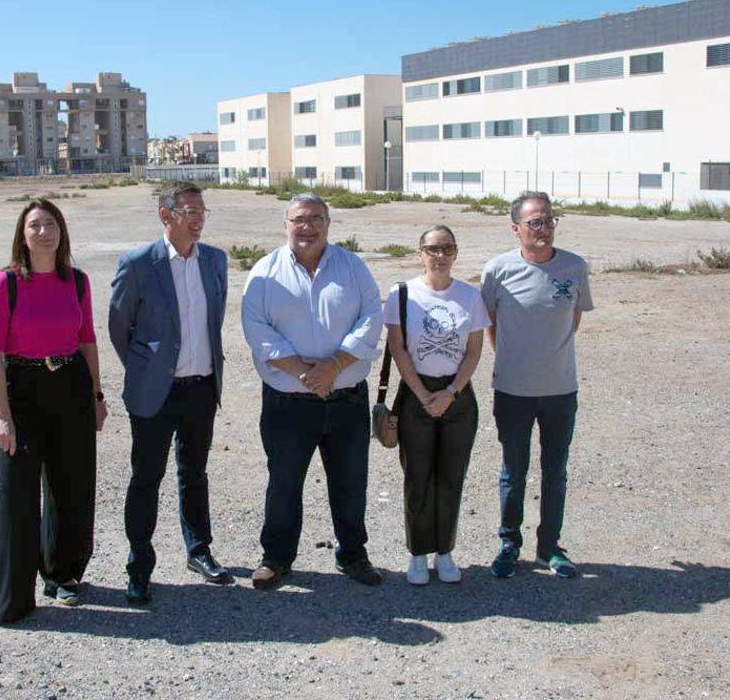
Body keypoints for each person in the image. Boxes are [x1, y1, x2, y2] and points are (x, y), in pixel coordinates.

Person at [241, 193, 384, 590]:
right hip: (288, 402)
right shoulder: (265, 271)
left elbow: (372, 317)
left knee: (350, 481)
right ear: (286, 224)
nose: (308, 226)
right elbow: (256, 329)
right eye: (299, 219)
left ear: (328, 223)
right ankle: (276, 558)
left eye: (316, 218)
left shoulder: (352, 267)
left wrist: (334, 365)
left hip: (346, 399)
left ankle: (353, 554)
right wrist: (306, 373)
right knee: (284, 482)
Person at [0, 198, 108, 625]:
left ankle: (62, 575)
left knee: (72, 487)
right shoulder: (6, 283)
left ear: (61, 231)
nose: (43, 232)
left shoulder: (77, 281)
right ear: (23, 234)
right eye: (34, 225)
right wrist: (2, 416)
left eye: (50, 224)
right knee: (17, 496)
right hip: (21, 391)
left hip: (70, 385)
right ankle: (14, 598)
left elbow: (87, 339)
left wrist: (97, 396)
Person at [108, 182, 232, 606]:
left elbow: (214, 319)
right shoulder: (139, 264)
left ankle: (199, 551)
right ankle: (139, 565)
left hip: (201, 388)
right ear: (166, 215)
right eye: (189, 211)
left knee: (194, 473)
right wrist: (147, 369)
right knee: (146, 477)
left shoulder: (215, 260)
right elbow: (119, 327)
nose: (198, 220)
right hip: (155, 393)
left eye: (202, 211)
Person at [480, 191, 594, 580]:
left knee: (555, 472)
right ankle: (509, 544)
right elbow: (490, 322)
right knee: (513, 473)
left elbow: (572, 319)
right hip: (512, 391)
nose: (544, 229)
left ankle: (549, 548)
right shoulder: (497, 270)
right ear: (516, 229)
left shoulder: (574, 267)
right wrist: (511, 359)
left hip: (561, 389)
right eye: (535, 222)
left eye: (549, 220)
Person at [384, 225, 489, 586]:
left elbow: (474, 351)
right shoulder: (402, 295)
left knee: (450, 477)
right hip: (416, 395)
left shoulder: (470, 297)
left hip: (457, 397)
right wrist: (421, 393)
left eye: (447, 248)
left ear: (455, 254)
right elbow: (398, 348)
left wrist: (450, 393)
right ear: (420, 254)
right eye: (432, 249)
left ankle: (444, 551)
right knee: (417, 477)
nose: (440, 256)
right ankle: (418, 553)